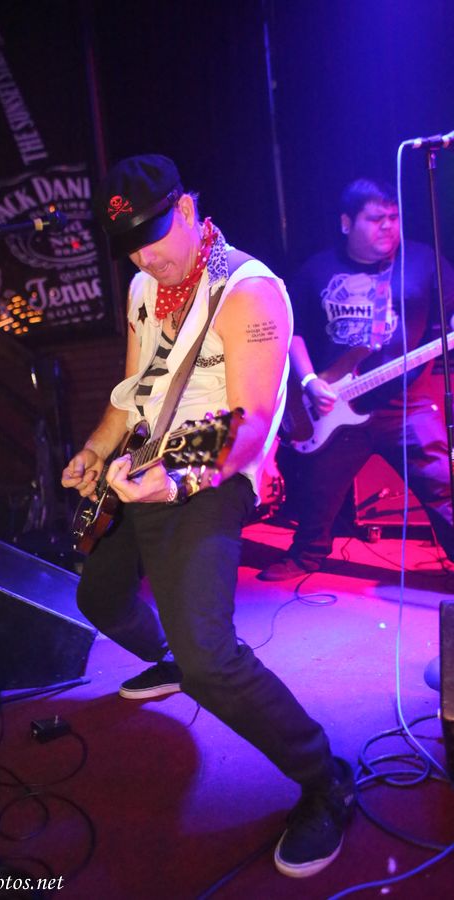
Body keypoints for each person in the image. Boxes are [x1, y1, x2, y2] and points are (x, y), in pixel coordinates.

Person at [61, 154, 355, 877]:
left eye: (153, 236)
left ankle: (325, 777)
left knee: (211, 658)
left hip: (214, 473)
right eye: (130, 245)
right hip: (146, 466)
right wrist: (96, 450)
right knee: (98, 596)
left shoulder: (249, 291)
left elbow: (249, 422)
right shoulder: (143, 287)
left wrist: (176, 481)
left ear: (188, 208)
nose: (144, 257)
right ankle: (170, 657)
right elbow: (134, 391)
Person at [260, 178, 454, 581]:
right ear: (347, 223)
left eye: (394, 218)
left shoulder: (423, 260)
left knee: (441, 486)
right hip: (336, 404)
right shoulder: (316, 270)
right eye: (376, 218)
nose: (388, 226)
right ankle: (306, 556)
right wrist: (309, 380)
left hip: (407, 405)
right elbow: (293, 331)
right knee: (317, 495)